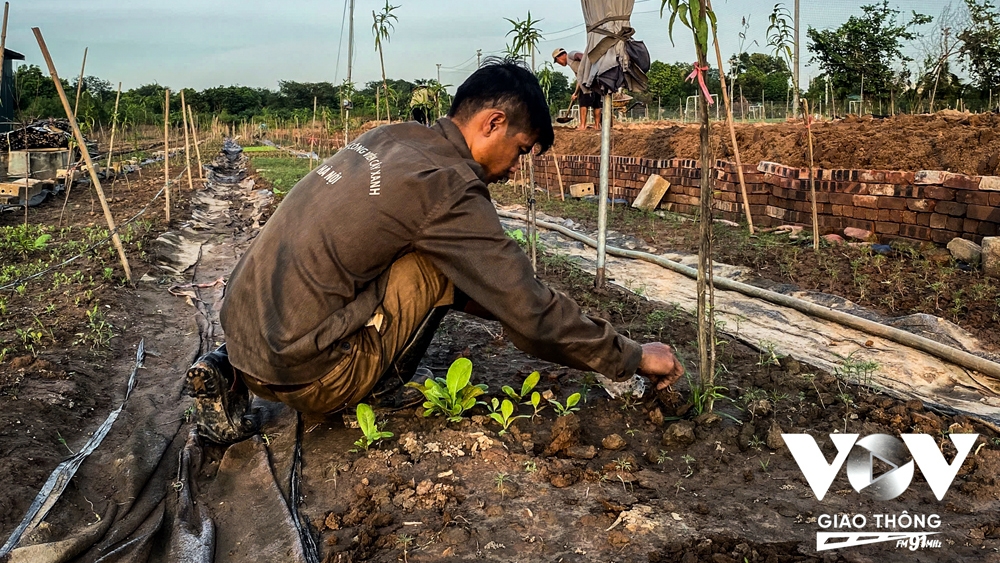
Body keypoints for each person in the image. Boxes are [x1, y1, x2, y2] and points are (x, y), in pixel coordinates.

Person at [184, 58, 684, 444]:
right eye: (521, 149)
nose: (515, 169)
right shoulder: (447, 187)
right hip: (310, 377)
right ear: (493, 122)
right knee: (433, 267)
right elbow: (531, 314)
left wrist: (500, 306)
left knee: (407, 260)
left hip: (243, 335)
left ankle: (228, 368)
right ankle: (377, 385)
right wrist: (634, 355)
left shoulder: (388, 137)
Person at [553, 47, 601, 130]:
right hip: (594, 79)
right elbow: (579, 80)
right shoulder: (573, 65)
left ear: (558, 58)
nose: (559, 63)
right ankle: (597, 126)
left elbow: (581, 56)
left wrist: (587, 65)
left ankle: (582, 125)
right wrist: (575, 93)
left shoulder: (571, 55)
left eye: (557, 61)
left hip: (587, 80)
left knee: (583, 102)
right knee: (596, 104)